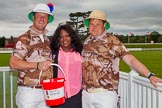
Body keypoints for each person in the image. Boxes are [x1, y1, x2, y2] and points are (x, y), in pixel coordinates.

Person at [82, 10, 162, 108]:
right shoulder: (87, 41)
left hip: (105, 94)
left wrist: (149, 75)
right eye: (91, 24)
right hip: (86, 94)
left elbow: (130, 59)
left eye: (97, 24)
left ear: (104, 25)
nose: (94, 27)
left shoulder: (112, 41)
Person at [10, 3, 54, 108]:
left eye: (45, 16)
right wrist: (37, 65)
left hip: (46, 91)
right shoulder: (25, 38)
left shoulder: (47, 40)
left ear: (48, 20)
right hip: (29, 92)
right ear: (33, 18)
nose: (42, 19)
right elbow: (13, 63)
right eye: (39, 16)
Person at [50, 24, 83, 108]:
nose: (64, 39)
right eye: (61, 37)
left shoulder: (80, 53)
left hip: (76, 95)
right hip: (57, 96)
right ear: (58, 39)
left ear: (72, 37)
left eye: (67, 36)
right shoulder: (53, 54)